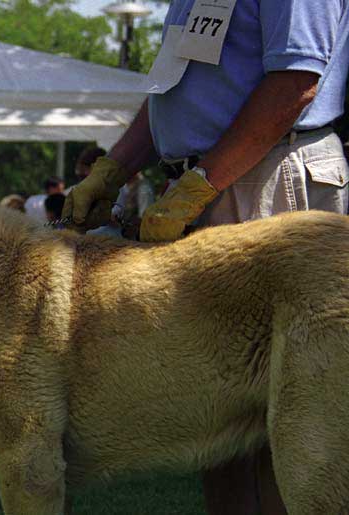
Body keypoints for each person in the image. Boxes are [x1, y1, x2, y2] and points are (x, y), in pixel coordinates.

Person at [63, 1, 349, 514]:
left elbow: (296, 82)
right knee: (216, 419)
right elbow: (170, 95)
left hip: (268, 171)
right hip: (215, 179)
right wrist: (113, 169)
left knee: (296, 428)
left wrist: (202, 184)